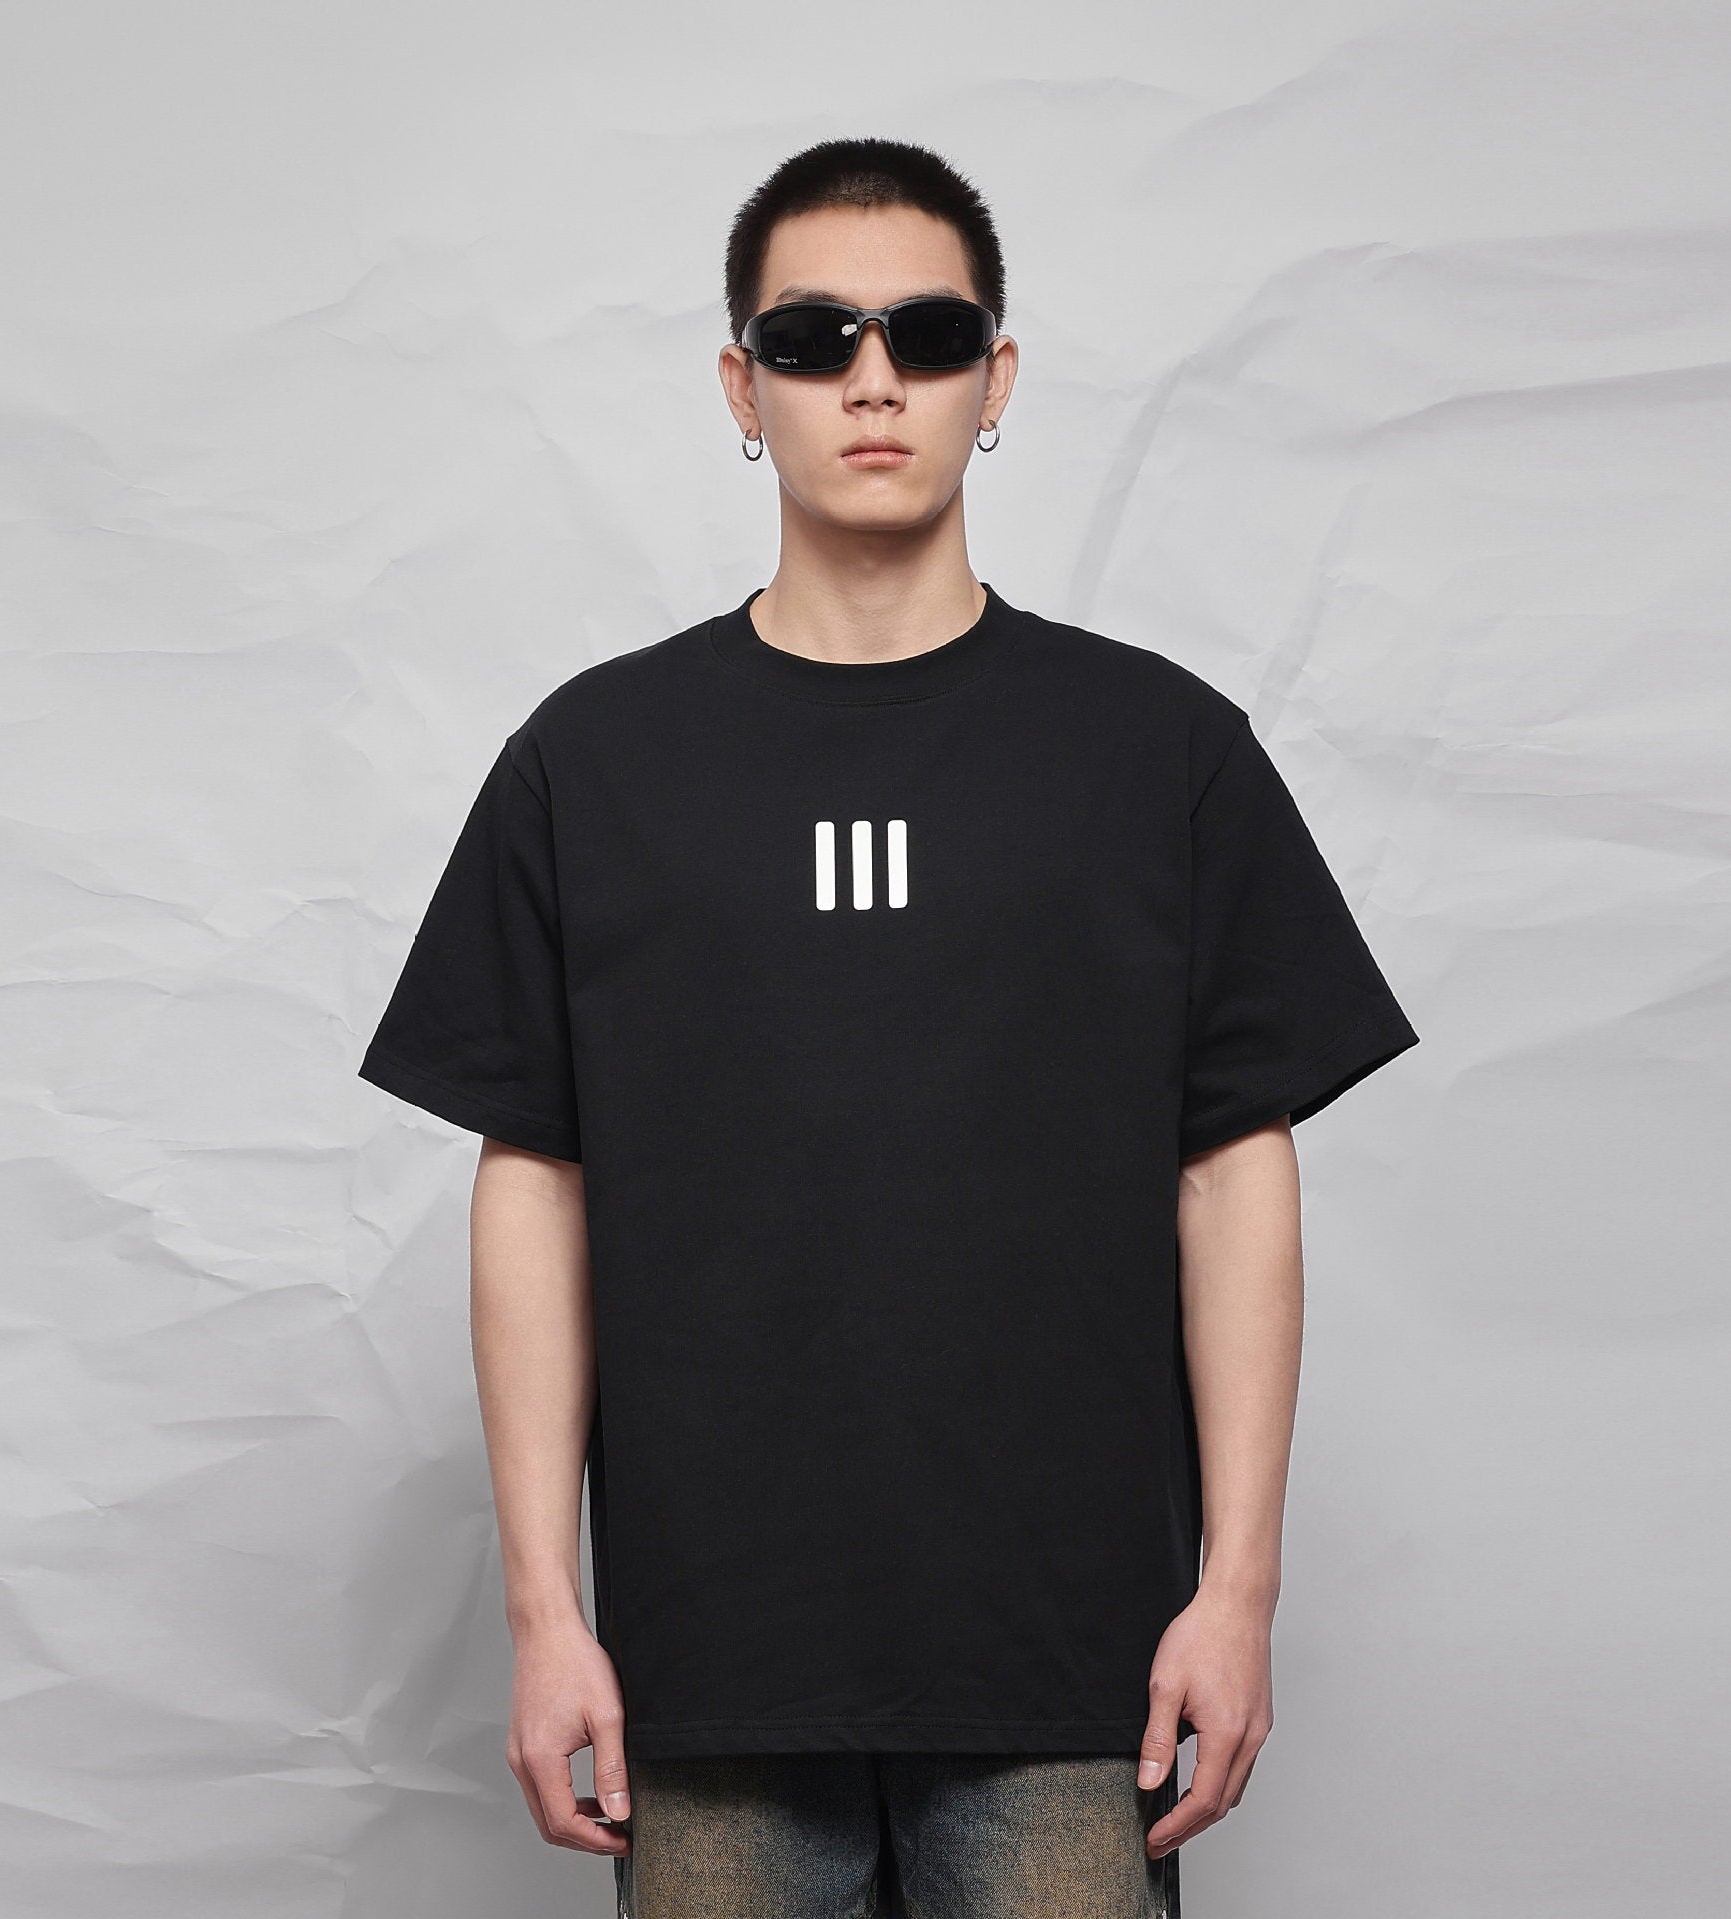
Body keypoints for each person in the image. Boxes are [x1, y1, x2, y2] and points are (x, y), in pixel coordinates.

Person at [356, 137, 1420, 1919]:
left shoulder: (1157, 751)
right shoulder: (594, 763)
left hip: (1073, 1675)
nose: (871, 379)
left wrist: (1239, 1590)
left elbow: (1235, 1169)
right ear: (741, 386)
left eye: (926, 335)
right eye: (813, 336)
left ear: (994, 382)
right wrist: (546, 1615)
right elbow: (534, 1182)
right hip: (711, 1675)